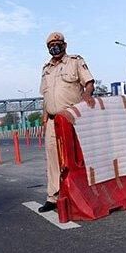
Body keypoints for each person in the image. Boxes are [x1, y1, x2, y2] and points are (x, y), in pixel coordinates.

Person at [38, 32, 95, 212]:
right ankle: (53, 197)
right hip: (53, 121)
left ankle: (85, 194)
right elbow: (46, 95)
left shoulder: (75, 61)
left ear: (65, 45)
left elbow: (89, 82)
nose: (55, 47)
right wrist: (45, 116)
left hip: (72, 119)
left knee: (77, 157)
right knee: (53, 160)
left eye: (58, 43)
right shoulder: (46, 69)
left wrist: (87, 94)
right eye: (51, 45)